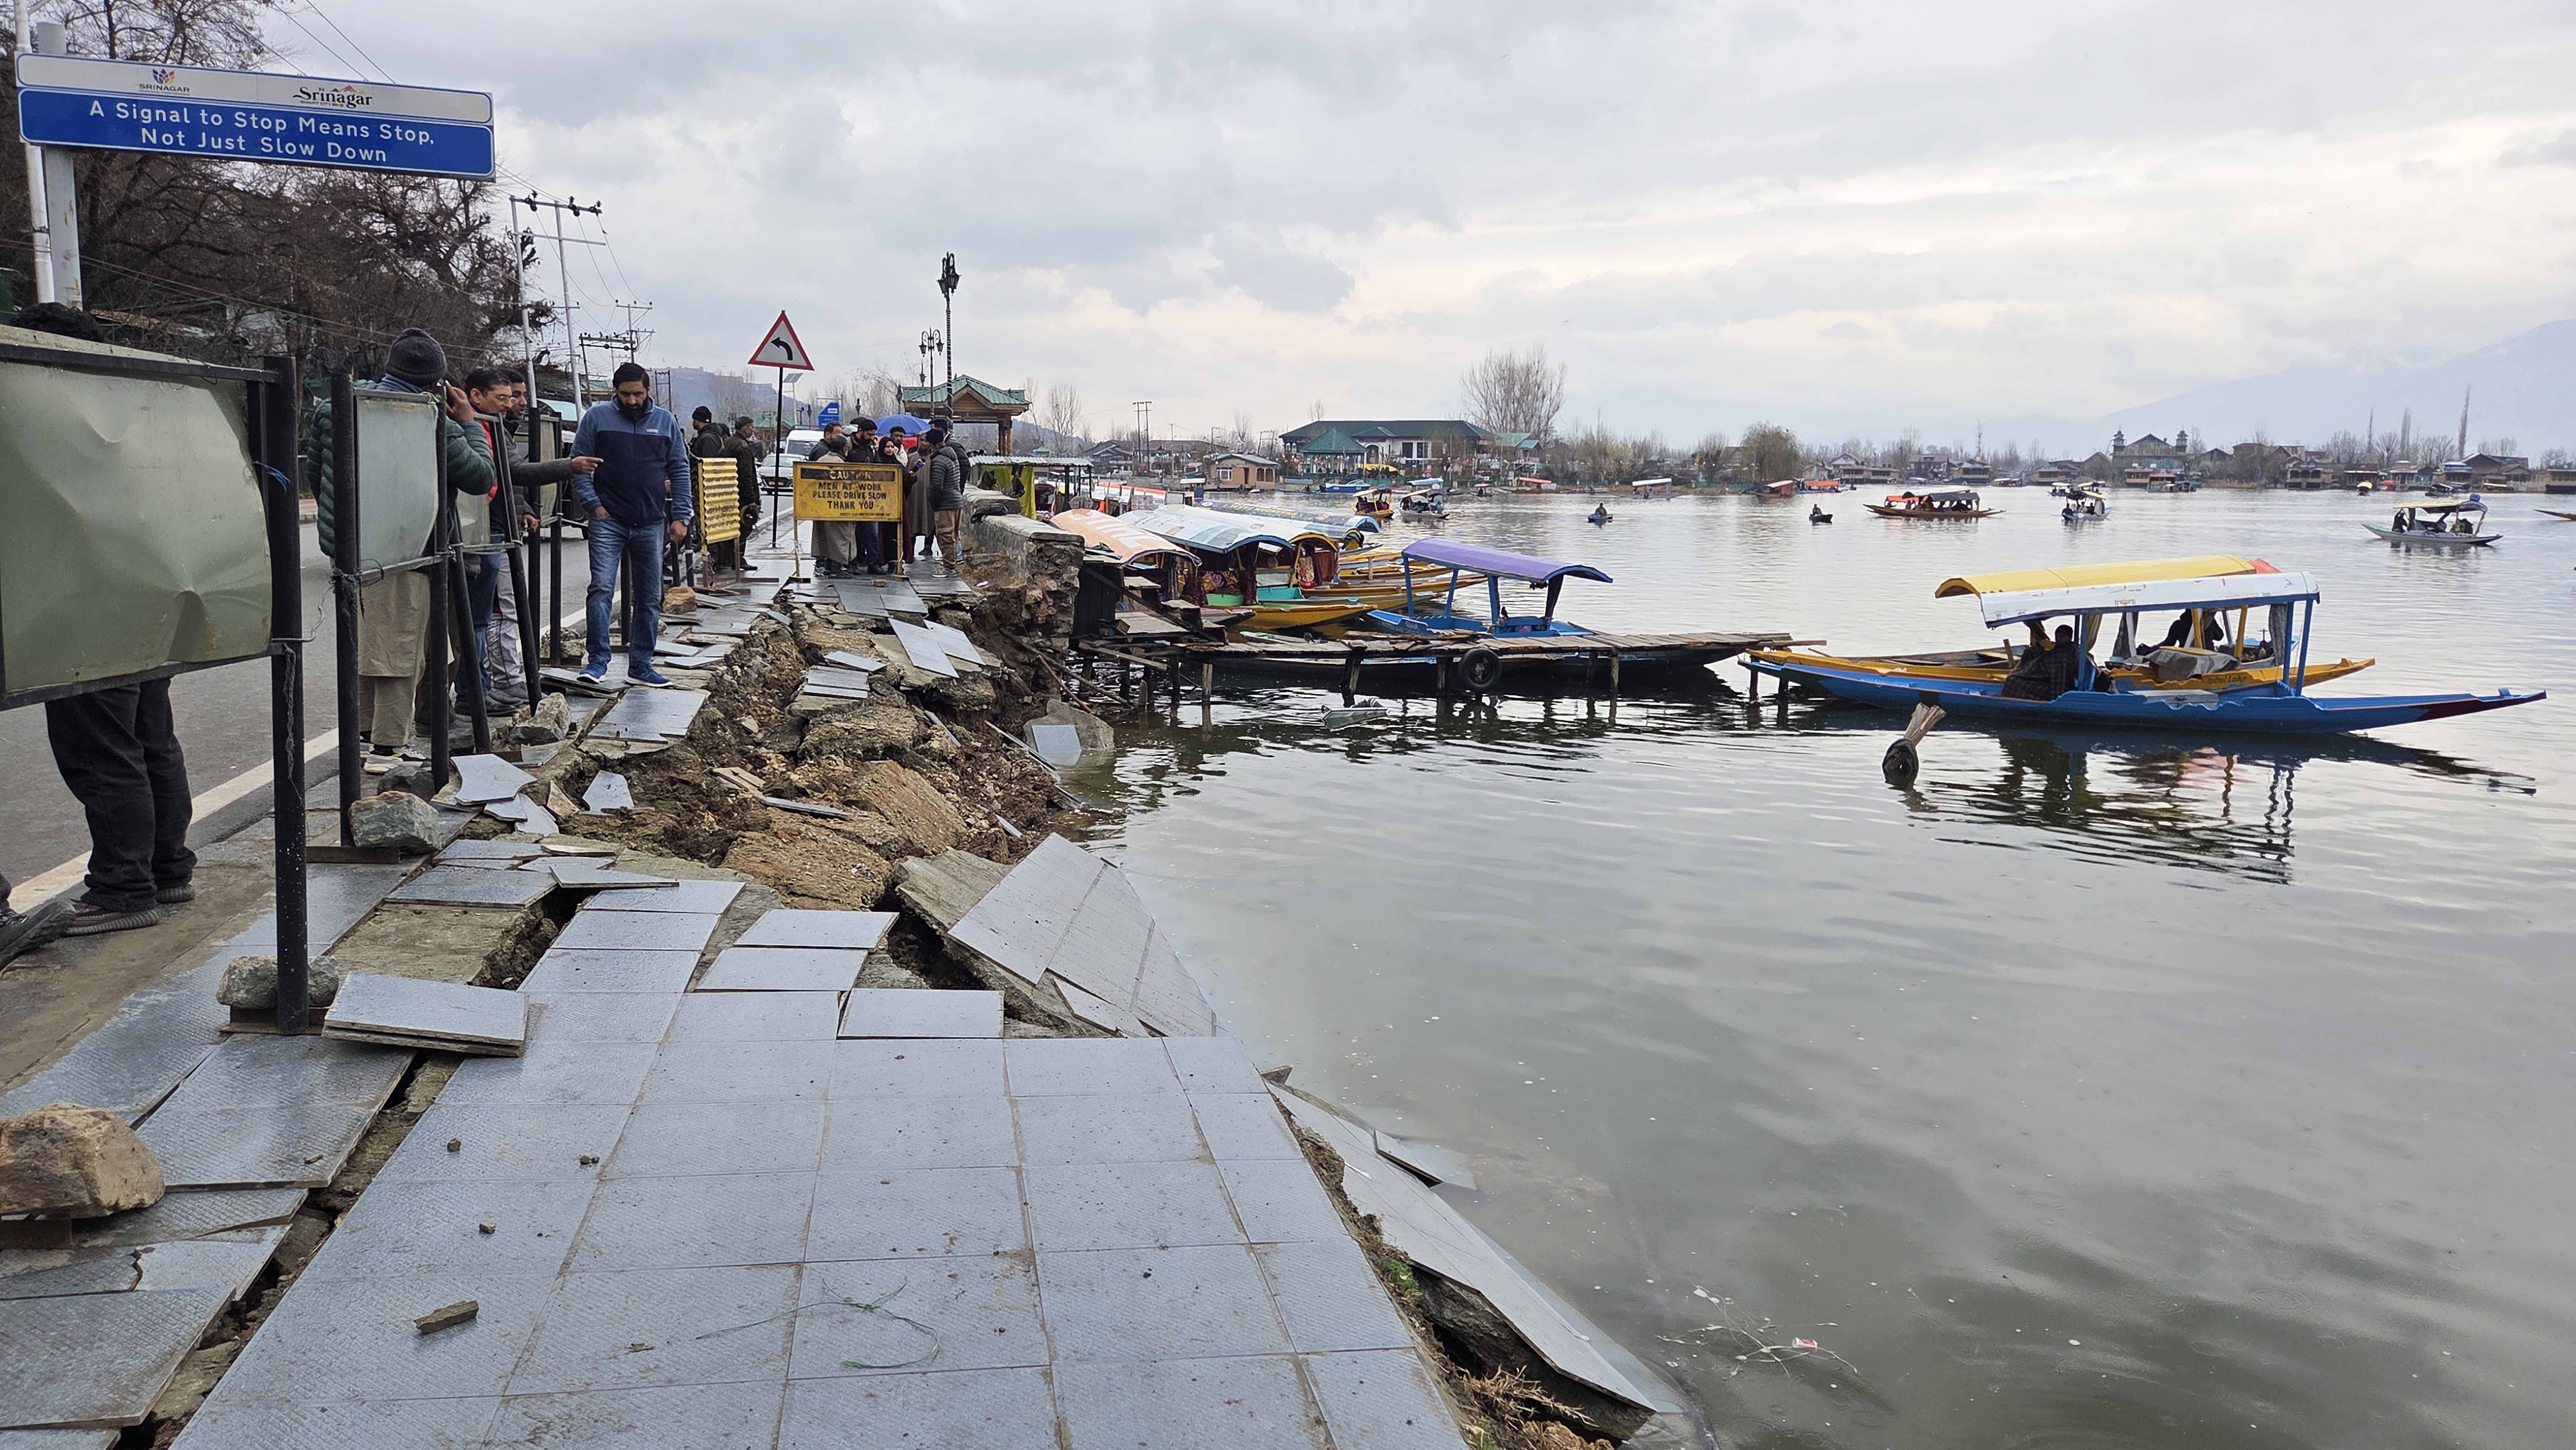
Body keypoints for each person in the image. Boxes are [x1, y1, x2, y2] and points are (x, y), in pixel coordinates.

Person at [311, 329, 493, 767]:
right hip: (410, 547)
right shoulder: (430, 419)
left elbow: (318, 472)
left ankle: (362, 736)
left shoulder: (337, 407)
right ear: (436, 381)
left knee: (368, 643)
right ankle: (387, 747)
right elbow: (480, 477)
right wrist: (469, 423)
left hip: (354, 545)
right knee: (401, 649)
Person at [570, 362, 692, 684]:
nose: (632, 401)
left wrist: (681, 516)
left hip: (651, 521)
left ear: (648, 390)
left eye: (638, 394)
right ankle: (597, 662)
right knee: (601, 590)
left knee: (650, 596)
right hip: (608, 520)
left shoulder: (665, 422)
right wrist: (593, 505)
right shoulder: (596, 418)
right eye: (625, 394)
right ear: (616, 392)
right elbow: (578, 464)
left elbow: (680, 469)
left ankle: (641, 665)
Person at [807, 422, 859, 576]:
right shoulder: (840, 464)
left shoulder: (822, 460)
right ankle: (836, 568)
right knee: (840, 537)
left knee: (826, 537)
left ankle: (829, 567)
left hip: (821, 506)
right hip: (838, 508)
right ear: (845, 449)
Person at [922, 422, 969, 573]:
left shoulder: (939, 460)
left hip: (946, 503)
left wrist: (933, 501)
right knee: (954, 534)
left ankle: (949, 566)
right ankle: (953, 562)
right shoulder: (952, 455)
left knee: (945, 535)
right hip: (956, 500)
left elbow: (937, 486)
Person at [1999, 623, 2082, 701]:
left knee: (2013, 681)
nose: (2059, 639)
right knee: (2013, 678)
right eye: (2057, 636)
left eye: (2062, 637)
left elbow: (2058, 679)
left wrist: (2056, 700)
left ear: (2069, 639)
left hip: (2052, 684)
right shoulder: (2061, 649)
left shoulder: (2065, 655)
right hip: (2044, 678)